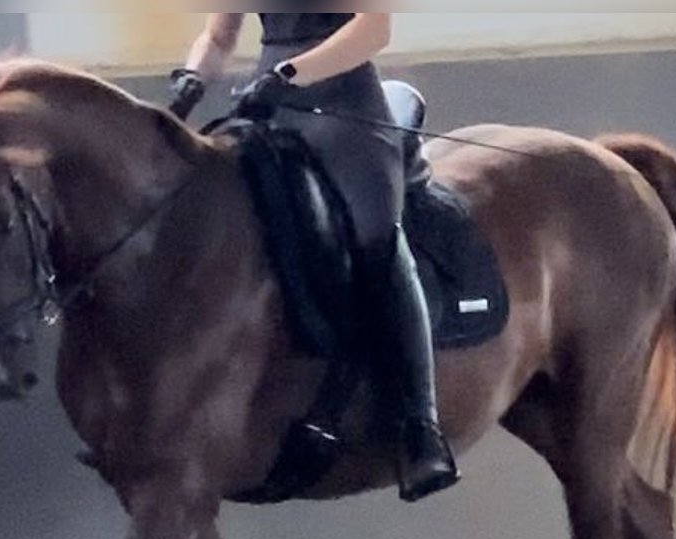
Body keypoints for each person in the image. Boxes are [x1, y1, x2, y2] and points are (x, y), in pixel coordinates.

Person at [169, 13, 460, 503]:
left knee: (375, 239)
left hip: (344, 111)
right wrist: (191, 79)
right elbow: (219, 35)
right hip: (269, 110)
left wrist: (289, 74)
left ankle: (420, 427)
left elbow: (372, 29)